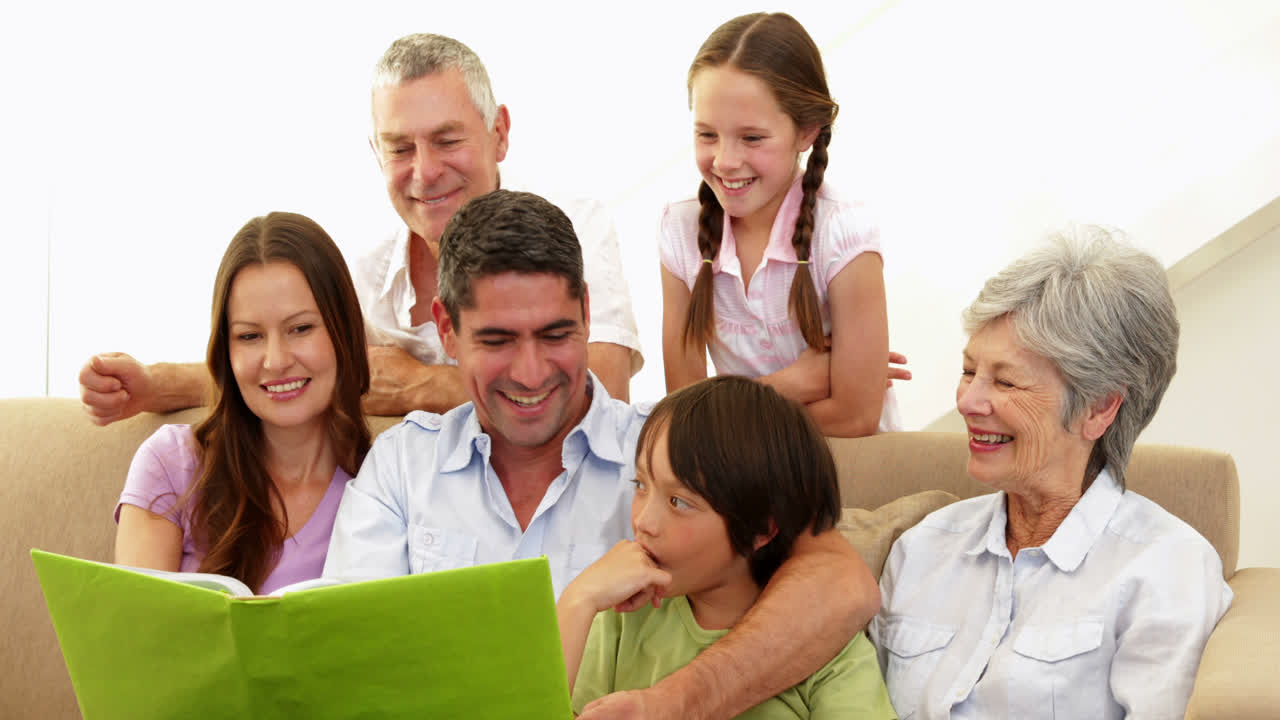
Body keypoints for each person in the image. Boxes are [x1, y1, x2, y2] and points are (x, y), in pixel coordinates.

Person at [323, 190, 880, 719]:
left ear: (588, 313)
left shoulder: (672, 453)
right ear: (447, 329)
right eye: (498, 341)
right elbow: (346, 670)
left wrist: (677, 704)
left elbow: (842, 584)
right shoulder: (401, 466)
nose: (531, 373)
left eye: (555, 335)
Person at [77, 32, 642, 425]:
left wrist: (417, 385)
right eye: (400, 148)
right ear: (376, 153)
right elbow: (282, 368)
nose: (425, 172)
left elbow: (604, 397)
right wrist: (155, 384)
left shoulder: (574, 224)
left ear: (499, 133)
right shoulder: (361, 268)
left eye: (447, 140)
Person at [869, 227, 1233, 719]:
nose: (968, 401)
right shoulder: (921, 549)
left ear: (1098, 409)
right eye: (968, 371)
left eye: (1006, 381)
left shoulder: (1166, 569)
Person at [560, 376, 897, 718]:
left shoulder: (828, 649)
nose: (643, 521)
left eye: (679, 502)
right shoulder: (621, 620)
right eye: (640, 485)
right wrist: (579, 600)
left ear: (761, 528)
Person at [661, 12, 903, 438]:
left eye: (752, 138)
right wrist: (793, 384)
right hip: (745, 474)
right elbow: (686, 419)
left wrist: (727, 413)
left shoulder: (844, 232)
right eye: (707, 135)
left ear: (807, 131)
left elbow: (854, 418)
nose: (725, 161)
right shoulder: (680, 231)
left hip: (849, 469)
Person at [114, 212, 371, 595]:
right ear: (226, 350)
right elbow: (135, 624)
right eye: (250, 336)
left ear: (343, 333)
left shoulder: (382, 485)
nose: (276, 361)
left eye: (300, 328)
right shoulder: (171, 464)